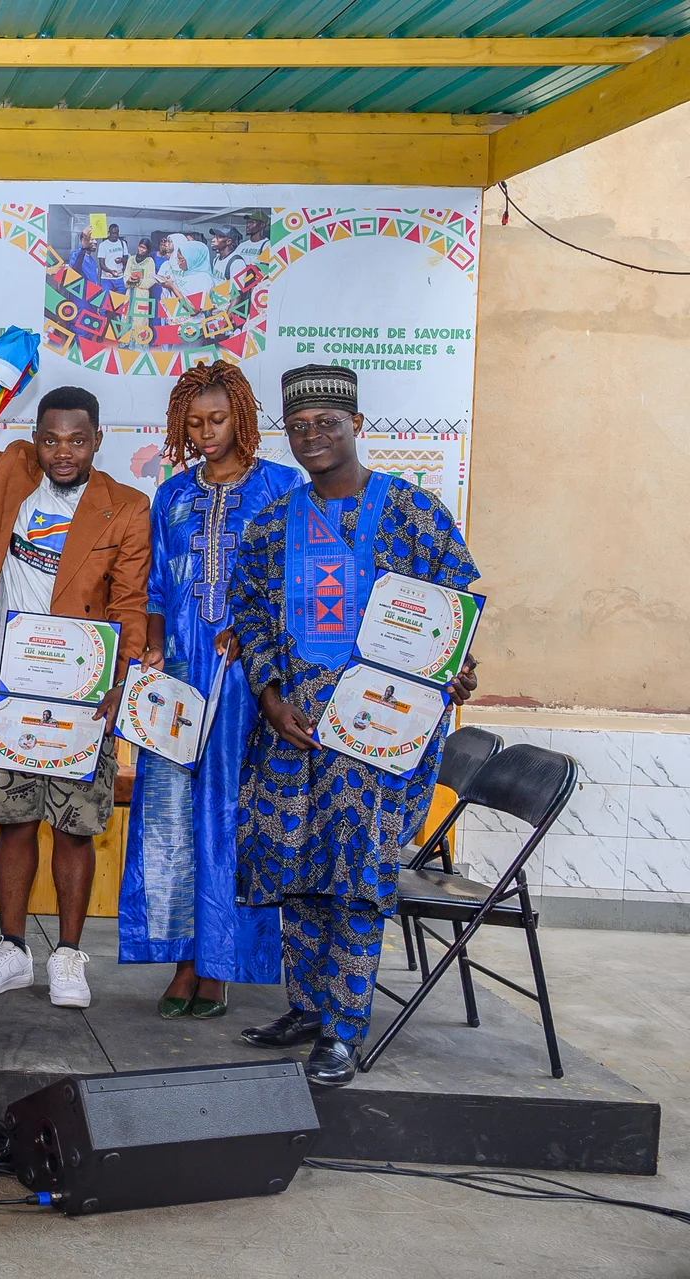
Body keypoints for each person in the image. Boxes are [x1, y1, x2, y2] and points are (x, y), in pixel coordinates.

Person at [230, 365, 480, 1086]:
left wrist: (456, 665)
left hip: (379, 732)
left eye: (326, 425)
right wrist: (271, 693)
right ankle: (307, 1007)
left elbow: (454, 606)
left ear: (357, 426)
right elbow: (249, 609)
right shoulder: (273, 522)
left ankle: (343, 1027)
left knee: (359, 875)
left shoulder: (412, 510)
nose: (311, 437)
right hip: (295, 727)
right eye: (299, 426)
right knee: (302, 867)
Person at [0, 380, 151, 1008]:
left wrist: (120, 679)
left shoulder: (126, 506)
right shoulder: (6, 472)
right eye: (50, 439)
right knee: (12, 818)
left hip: (81, 686)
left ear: (98, 440)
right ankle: (12, 948)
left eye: (77, 440)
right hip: (3, 677)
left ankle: (69, 957)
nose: (63, 452)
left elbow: (130, 603)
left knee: (75, 825)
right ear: (35, 440)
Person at [118, 363, 299, 1020]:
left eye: (217, 419)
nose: (205, 433)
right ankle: (183, 958)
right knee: (170, 816)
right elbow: (159, 587)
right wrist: (156, 647)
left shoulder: (282, 487)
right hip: (182, 680)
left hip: (248, 682)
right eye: (193, 423)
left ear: (243, 416)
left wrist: (250, 637)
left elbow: (291, 584)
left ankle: (220, 965)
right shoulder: (170, 495)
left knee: (229, 817)